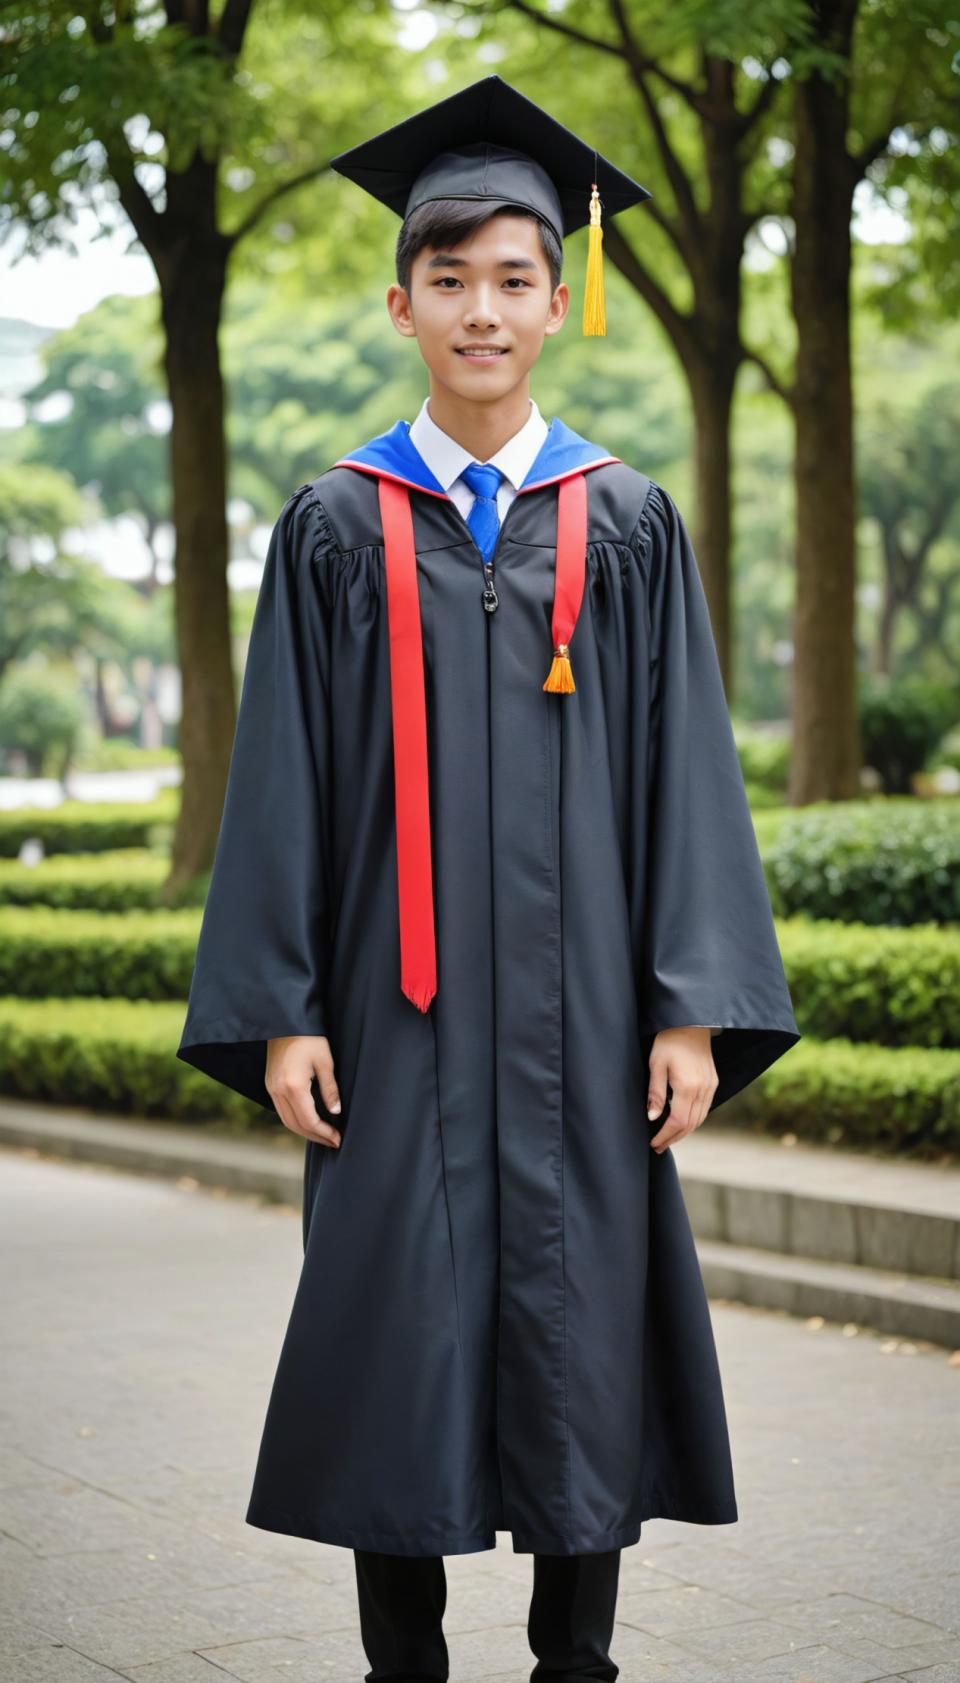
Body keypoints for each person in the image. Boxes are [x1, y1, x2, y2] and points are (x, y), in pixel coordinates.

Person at [177, 73, 801, 1683]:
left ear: (557, 301)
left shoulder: (628, 521)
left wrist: (692, 1013)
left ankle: (576, 1664)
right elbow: (284, 789)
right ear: (402, 303)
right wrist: (280, 1014)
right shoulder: (334, 526)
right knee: (398, 1334)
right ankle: (405, 1667)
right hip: (394, 1026)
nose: (480, 308)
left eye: (512, 277)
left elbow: (688, 784)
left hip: (590, 1030)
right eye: (447, 278)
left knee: (582, 1333)